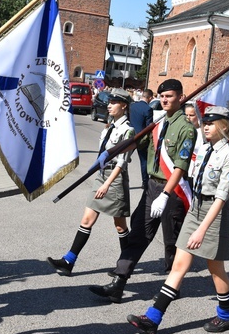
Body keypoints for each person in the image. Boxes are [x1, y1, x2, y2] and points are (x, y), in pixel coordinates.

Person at [127, 107, 229, 334]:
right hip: (196, 207)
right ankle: (153, 318)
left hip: (214, 213)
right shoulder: (205, 148)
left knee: (216, 269)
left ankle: (227, 316)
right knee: (179, 265)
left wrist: (201, 230)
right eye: (205, 122)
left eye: (212, 123)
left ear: (225, 126)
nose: (206, 126)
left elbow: (221, 197)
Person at [89, 78, 195, 303]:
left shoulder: (186, 128)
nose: (165, 100)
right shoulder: (159, 123)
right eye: (162, 97)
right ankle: (118, 283)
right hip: (152, 188)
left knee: (171, 241)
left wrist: (166, 194)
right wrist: (110, 152)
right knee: (138, 233)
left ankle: (171, 287)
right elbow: (138, 143)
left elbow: (180, 166)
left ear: (180, 97)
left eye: (170, 96)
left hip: (172, 192)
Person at [47, 88, 135, 275]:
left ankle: (126, 265)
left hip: (115, 179)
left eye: (114, 103)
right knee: (87, 220)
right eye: (109, 102)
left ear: (124, 106)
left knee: (120, 225)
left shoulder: (128, 130)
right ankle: (68, 261)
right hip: (101, 176)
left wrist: (107, 184)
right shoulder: (109, 127)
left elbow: (122, 161)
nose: (109, 105)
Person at [128, 88, 154, 188]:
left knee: (123, 158)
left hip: (130, 135)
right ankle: (145, 182)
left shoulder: (133, 106)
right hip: (141, 138)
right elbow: (148, 127)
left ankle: (117, 177)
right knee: (143, 161)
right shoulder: (148, 109)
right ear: (150, 97)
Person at [183, 102, 205, 183]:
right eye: (186, 115)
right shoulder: (182, 130)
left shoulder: (203, 133)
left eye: (191, 115)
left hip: (195, 168)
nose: (188, 117)